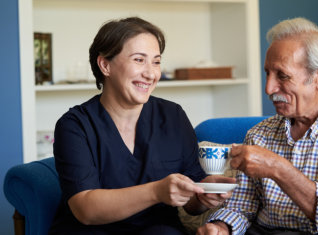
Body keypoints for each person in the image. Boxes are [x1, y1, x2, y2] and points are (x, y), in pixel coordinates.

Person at [197, 17, 318, 235]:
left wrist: (277, 168)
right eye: (267, 74)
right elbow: (241, 207)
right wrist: (222, 227)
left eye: (282, 75)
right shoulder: (259, 135)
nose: (269, 88)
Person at [49, 17, 234, 234]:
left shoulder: (173, 116)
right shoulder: (75, 125)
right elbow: (85, 209)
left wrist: (204, 196)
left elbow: (191, 203)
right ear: (105, 65)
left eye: (156, 62)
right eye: (139, 60)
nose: (151, 73)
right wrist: (156, 191)